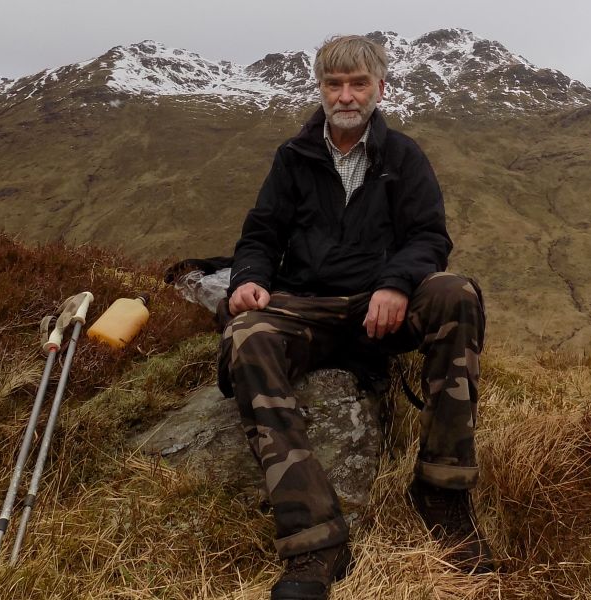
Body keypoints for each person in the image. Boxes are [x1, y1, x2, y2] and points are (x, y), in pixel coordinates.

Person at [217, 35, 493, 600]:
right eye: (334, 84)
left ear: (379, 88)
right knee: (246, 335)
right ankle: (316, 540)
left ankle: (442, 490)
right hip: (307, 307)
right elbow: (261, 235)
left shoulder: (403, 156)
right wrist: (249, 279)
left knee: (455, 293)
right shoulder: (293, 157)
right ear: (320, 89)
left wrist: (394, 285)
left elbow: (429, 237)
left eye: (357, 84)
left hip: (380, 309)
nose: (345, 96)